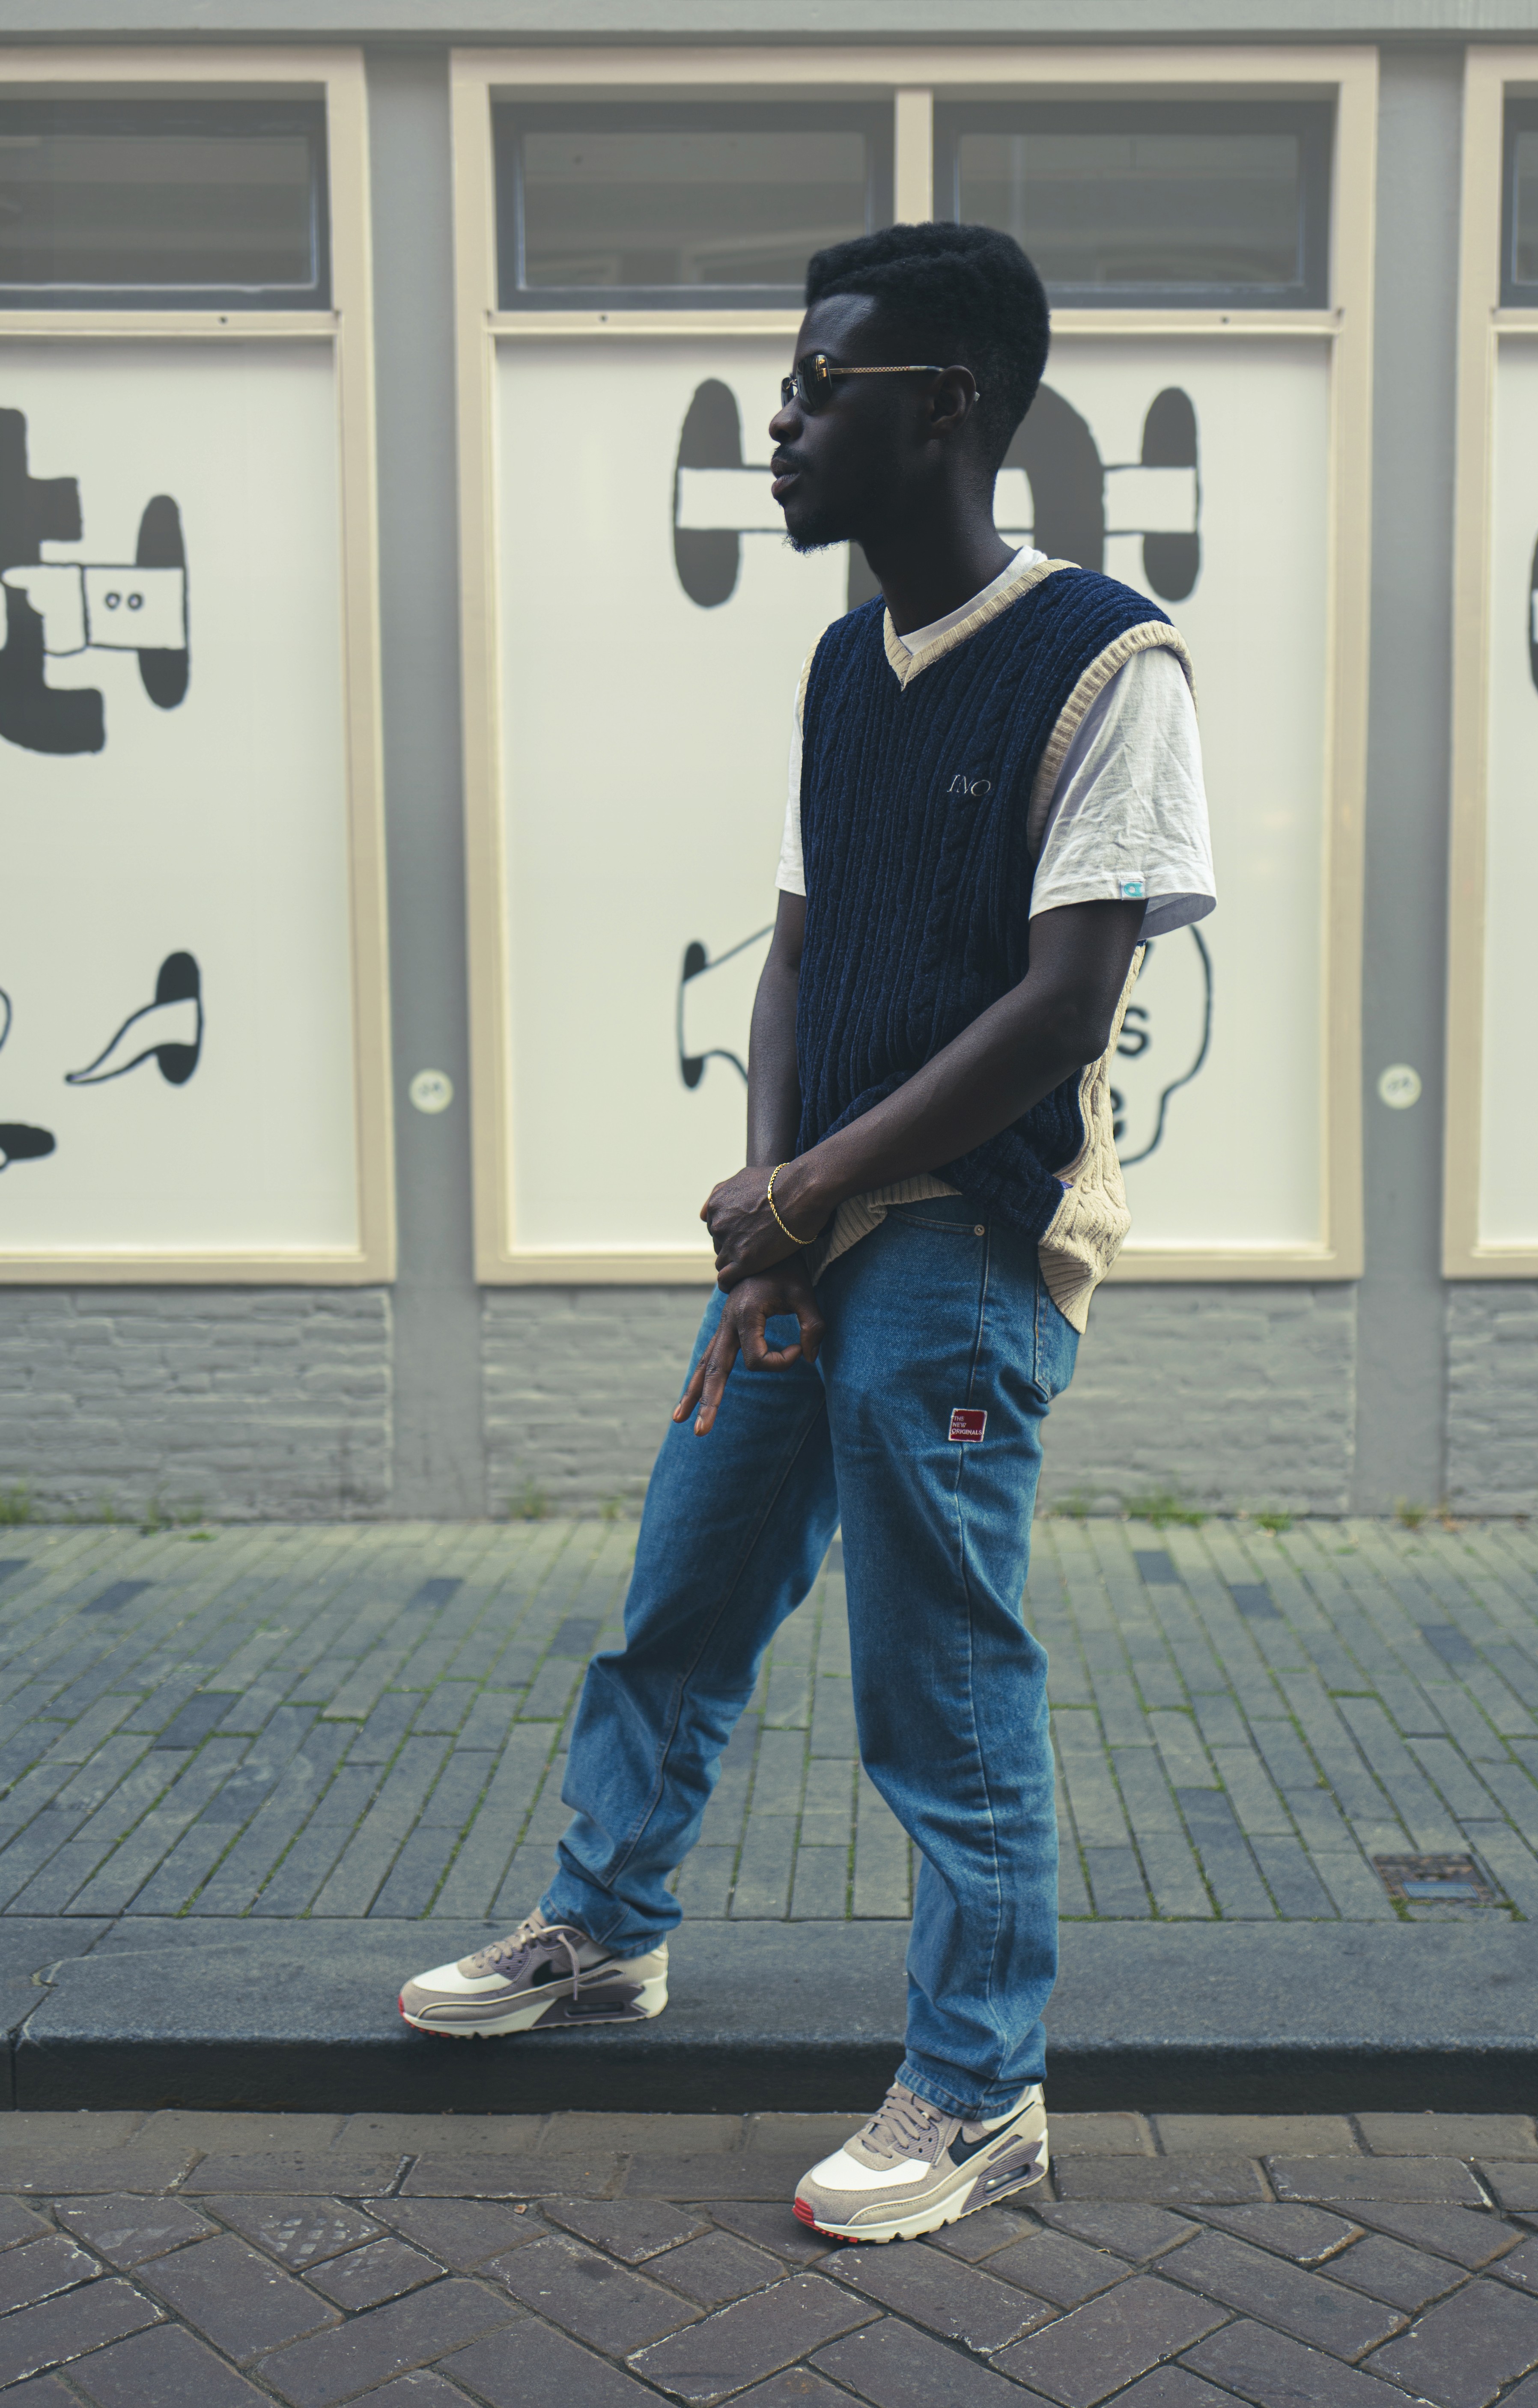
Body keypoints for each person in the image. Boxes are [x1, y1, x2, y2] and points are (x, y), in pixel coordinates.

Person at [400, 221, 1214, 2244]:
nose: (773, 426)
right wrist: (769, 1218)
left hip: (962, 1244)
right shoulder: (845, 667)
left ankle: (978, 2088)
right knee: (681, 1592)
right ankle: (606, 1928)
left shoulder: (1106, 661)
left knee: (940, 1678)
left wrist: (811, 1188)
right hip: (817, 1233)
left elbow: (1063, 1005)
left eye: (812, 385)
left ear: (942, 405)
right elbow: (792, 955)